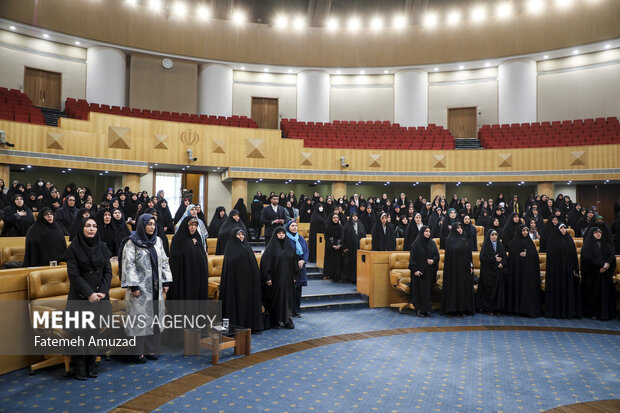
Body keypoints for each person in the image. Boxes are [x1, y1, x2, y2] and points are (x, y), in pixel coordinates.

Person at [119, 214, 172, 363]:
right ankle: (137, 352)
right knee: (140, 320)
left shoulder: (158, 241)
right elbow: (129, 265)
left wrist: (166, 281)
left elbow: (164, 261)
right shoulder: (132, 242)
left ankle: (151, 349)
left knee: (154, 318)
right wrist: (134, 286)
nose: (151, 227)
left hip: (156, 287)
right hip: (139, 289)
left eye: (153, 224)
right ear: (142, 225)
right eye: (148, 224)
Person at [64, 217, 112, 380]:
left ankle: (91, 366)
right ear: (81, 228)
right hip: (80, 297)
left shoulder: (102, 246)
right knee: (79, 334)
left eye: (94, 226)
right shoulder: (73, 248)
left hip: (100, 296)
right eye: (88, 226)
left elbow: (108, 272)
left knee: (93, 333)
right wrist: (89, 293)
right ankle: (78, 369)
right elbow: (74, 275)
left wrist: (103, 291)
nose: (91, 229)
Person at [220, 227, 264, 331]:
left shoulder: (247, 246)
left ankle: (250, 325)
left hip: (248, 282)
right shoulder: (230, 247)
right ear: (234, 236)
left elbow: (252, 263)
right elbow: (230, 265)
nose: (241, 237)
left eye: (242, 235)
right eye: (238, 235)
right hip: (236, 283)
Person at [261, 226, 297, 329]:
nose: (281, 235)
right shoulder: (271, 248)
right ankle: (275, 320)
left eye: (283, 233)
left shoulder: (288, 246)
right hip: (275, 280)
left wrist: (294, 276)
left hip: (288, 279)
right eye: (279, 233)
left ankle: (287, 320)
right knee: (276, 299)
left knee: (287, 299)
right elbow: (265, 263)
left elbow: (293, 261)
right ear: (275, 234)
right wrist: (267, 277)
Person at [167, 216, 209, 300]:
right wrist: (189, 245)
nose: (193, 227)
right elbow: (175, 259)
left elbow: (202, 257)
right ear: (185, 225)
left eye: (195, 225)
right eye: (191, 225)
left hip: (196, 276)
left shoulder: (197, 238)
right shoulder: (177, 239)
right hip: (183, 277)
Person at [545, 223, 581, 319]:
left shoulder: (569, 239)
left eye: (565, 228)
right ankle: (556, 311)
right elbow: (551, 257)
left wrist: (575, 269)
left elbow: (574, 255)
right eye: (561, 228)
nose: (564, 230)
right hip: (556, 271)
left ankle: (567, 311)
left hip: (567, 270)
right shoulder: (552, 240)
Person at [580, 227, 616, 320]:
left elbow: (611, 254)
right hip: (593, 274)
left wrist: (607, 264)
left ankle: (606, 313)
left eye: (600, 232)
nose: (598, 234)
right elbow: (588, 258)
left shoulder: (605, 243)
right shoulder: (588, 245)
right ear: (592, 234)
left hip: (605, 273)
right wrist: (601, 265)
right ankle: (593, 313)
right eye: (596, 232)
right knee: (594, 293)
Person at [506, 225, 542, 317]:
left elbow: (535, 255)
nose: (525, 232)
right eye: (523, 230)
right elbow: (512, 256)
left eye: (526, 230)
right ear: (519, 231)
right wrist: (519, 255)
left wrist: (528, 253)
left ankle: (527, 309)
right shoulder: (514, 242)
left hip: (528, 273)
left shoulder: (530, 242)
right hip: (517, 272)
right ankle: (516, 309)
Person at [441, 223, 475, 316]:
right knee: (455, 288)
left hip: (465, 269)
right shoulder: (449, 240)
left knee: (463, 288)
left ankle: (462, 308)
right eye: (458, 228)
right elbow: (451, 255)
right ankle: (453, 309)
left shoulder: (465, 239)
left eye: (461, 228)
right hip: (454, 270)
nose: (460, 230)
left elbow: (469, 255)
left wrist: (471, 266)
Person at [408, 225, 439, 317]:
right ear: (422, 232)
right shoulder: (416, 244)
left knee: (427, 292)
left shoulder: (432, 243)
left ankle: (426, 310)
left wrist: (433, 260)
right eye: (426, 231)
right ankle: (419, 310)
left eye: (429, 231)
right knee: (420, 291)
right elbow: (412, 259)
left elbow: (437, 256)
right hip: (419, 273)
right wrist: (415, 270)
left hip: (429, 272)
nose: (428, 233)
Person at [477, 229, 507, 315]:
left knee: (498, 289)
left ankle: (497, 308)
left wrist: (502, 264)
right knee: (488, 290)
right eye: (492, 235)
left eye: (495, 235)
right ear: (489, 236)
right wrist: (494, 259)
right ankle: (488, 309)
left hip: (498, 271)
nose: (494, 236)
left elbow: (504, 257)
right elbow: (483, 258)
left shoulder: (500, 246)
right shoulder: (486, 246)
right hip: (488, 273)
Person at [285, 221, 309, 317]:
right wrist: (296, 261)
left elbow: (306, 251)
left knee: (299, 289)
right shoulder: (286, 239)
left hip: (300, 267)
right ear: (288, 227)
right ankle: (289, 310)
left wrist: (303, 261)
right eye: (292, 226)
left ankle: (296, 310)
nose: (295, 227)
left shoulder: (301, 238)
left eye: (296, 226)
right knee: (290, 289)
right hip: (290, 266)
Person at [341, 212, 367, 283]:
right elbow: (343, 237)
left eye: (356, 216)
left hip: (359, 248)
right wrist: (344, 247)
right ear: (351, 217)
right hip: (350, 249)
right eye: (353, 216)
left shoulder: (361, 225)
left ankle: (356, 278)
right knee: (350, 263)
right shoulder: (347, 225)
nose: (355, 217)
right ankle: (349, 278)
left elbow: (364, 236)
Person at [324, 212, 344, 282]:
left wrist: (339, 245)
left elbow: (342, 237)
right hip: (331, 248)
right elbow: (326, 238)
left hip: (339, 248)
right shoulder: (328, 227)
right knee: (332, 262)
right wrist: (332, 245)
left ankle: (338, 276)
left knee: (338, 262)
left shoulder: (340, 227)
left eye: (337, 218)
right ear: (331, 219)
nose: (335, 219)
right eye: (334, 218)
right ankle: (332, 276)